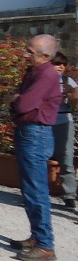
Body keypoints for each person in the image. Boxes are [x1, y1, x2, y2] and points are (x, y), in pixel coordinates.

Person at [6, 34, 63, 261]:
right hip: (28, 131)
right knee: (30, 188)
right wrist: (16, 99)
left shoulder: (46, 74)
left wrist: (16, 99)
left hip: (35, 133)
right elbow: (19, 102)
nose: (24, 55)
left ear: (46, 55)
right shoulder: (34, 72)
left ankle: (45, 244)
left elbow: (23, 103)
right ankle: (37, 236)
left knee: (36, 189)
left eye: (30, 52)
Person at [50, 53, 78, 210]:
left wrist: (71, 94)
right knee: (39, 158)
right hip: (44, 122)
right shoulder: (41, 81)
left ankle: (69, 195)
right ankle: (36, 192)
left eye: (63, 64)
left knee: (66, 159)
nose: (60, 67)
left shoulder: (68, 82)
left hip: (63, 121)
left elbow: (75, 105)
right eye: (57, 64)